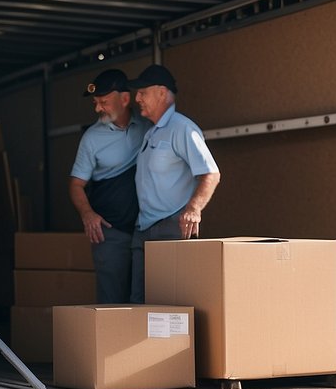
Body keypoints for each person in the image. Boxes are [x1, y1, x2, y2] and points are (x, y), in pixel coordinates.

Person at [128, 63, 221, 303]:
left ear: (161, 93)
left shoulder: (182, 128)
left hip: (171, 230)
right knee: (139, 304)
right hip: (145, 230)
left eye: (142, 92)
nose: (137, 98)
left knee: (169, 306)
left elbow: (211, 173)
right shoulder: (152, 132)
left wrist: (193, 208)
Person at [68, 68, 151, 303]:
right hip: (110, 232)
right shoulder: (91, 138)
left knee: (146, 299)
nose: (97, 109)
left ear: (125, 99)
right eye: (95, 102)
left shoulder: (149, 127)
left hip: (146, 228)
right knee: (111, 301)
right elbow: (75, 184)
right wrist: (88, 214)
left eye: (103, 102)